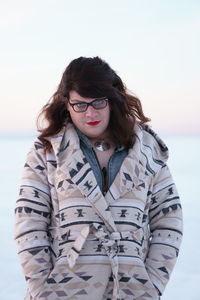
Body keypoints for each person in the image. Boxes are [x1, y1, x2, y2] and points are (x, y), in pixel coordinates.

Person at [14, 56, 183, 300]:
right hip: (63, 291)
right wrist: (43, 289)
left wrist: (151, 285)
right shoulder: (46, 153)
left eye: (98, 102)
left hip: (131, 292)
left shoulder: (146, 152)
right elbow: (28, 221)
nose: (90, 113)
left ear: (113, 100)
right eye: (79, 105)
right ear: (67, 105)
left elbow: (169, 219)